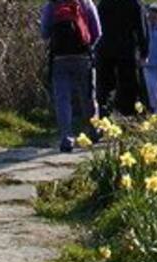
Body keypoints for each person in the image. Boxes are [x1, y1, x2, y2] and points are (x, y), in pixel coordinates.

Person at [40, 0, 103, 152]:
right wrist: (88, 45)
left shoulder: (52, 4)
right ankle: (93, 131)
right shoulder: (86, 3)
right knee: (87, 96)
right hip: (82, 56)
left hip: (59, 57)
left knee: (63, 99)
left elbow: (44, 33)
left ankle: (66, 139)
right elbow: (97, 32)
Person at [95, 0, 149, 117]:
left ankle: (106, 117)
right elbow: (141, 29)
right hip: (126, 50)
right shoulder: (134, 4)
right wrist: (144, 53)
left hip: (106, 50)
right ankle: (128, 117)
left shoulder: (104, 4)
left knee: (106, 87)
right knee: (129, 86)